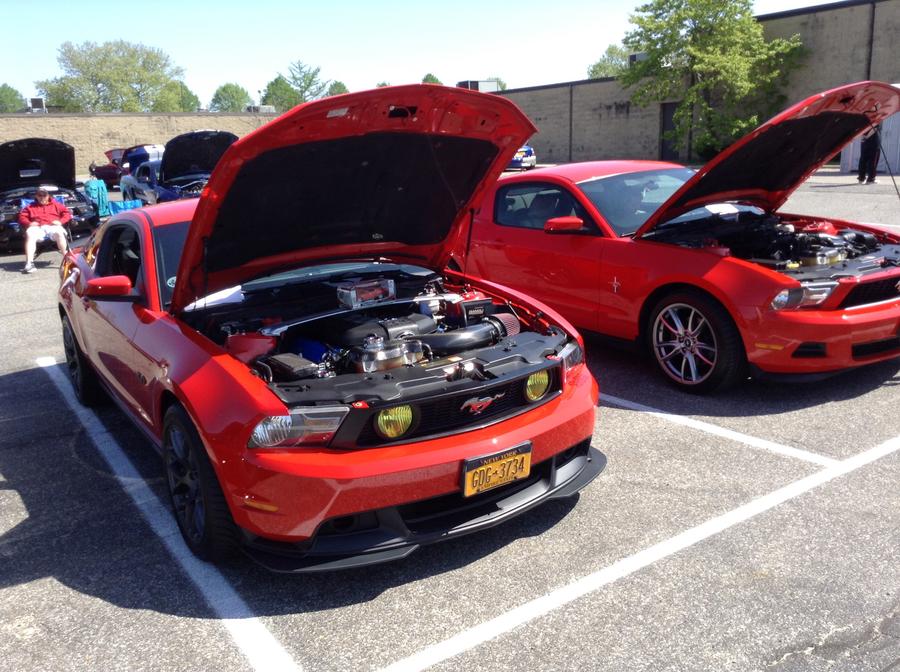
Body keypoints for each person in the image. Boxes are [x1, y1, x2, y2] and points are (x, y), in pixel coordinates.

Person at [18, 187, 71, 273]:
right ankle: (29, 263)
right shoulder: (30, 207)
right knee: (30, 234)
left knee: (59, 232)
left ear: (48, 196)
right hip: (37, 227)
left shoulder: (56, 205)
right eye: (40, 195)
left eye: (44, 195)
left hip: (53, 226)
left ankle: (66, 259)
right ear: (36, 196)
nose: (42, 197)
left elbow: (67, 214)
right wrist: (29, 223)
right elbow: (22, 217)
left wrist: (60, 221)